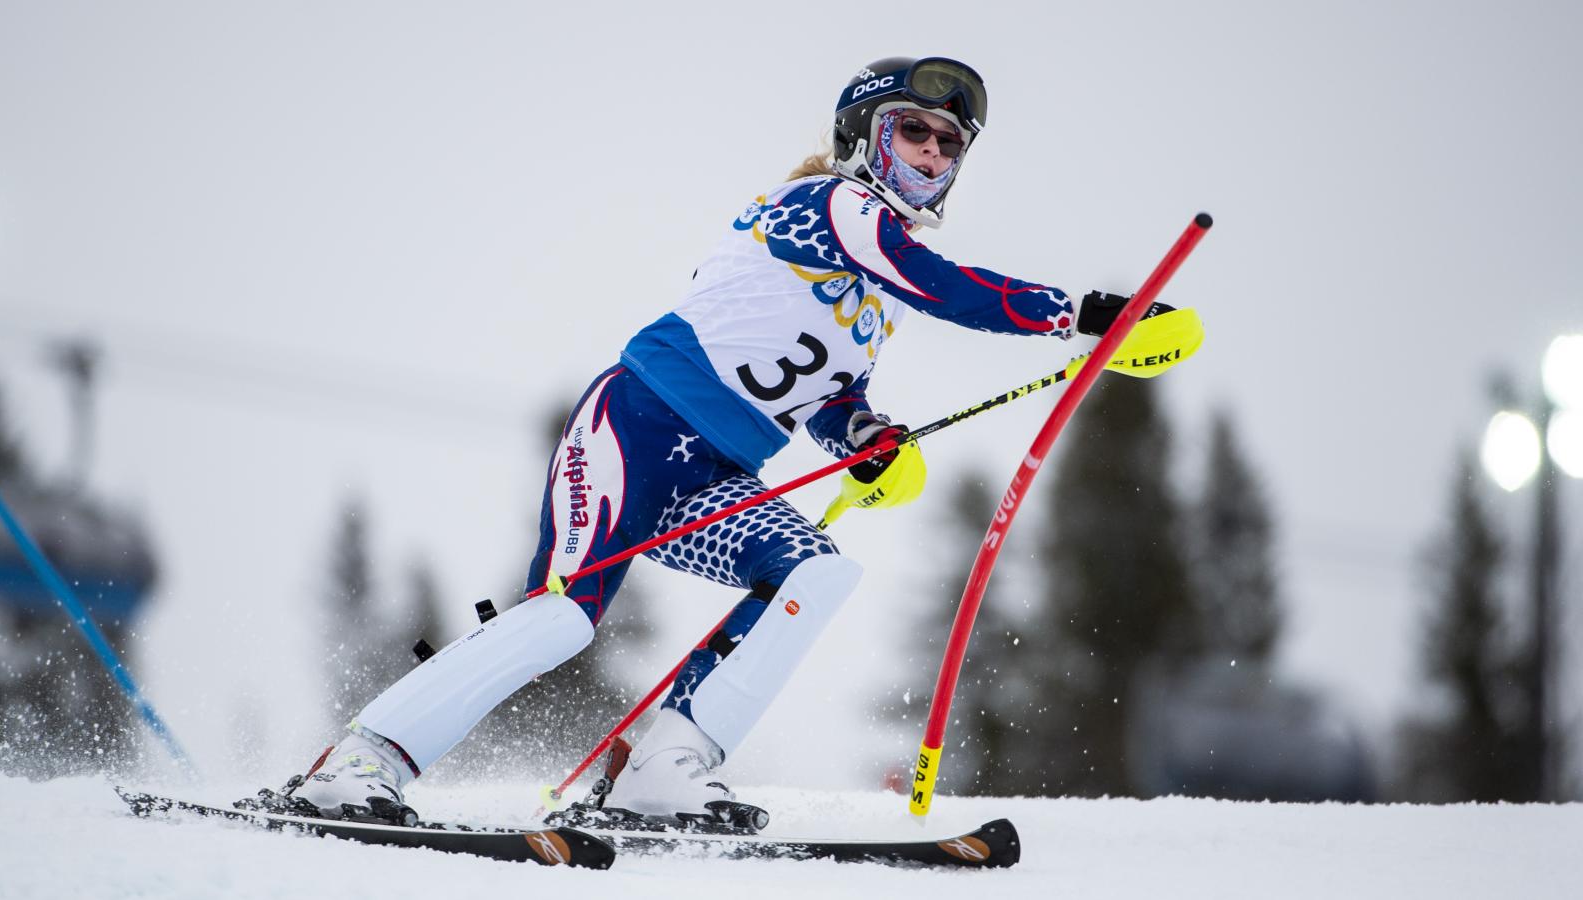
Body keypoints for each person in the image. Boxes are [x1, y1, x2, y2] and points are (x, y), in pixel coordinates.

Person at [281, 56, 1183, 827]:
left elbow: (831, 395)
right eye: (917, 132)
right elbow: (939, 284)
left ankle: (663, 773)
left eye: (951, 145)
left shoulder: (868, 300)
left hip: (712, 474)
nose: (935, 155)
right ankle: (359, 766)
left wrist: (864, 436)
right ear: (869, 135)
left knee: (816, 571)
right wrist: (1088, 316)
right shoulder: (826, 205)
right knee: (562, 616)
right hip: (634, 425)